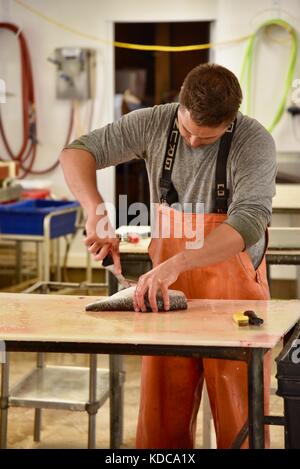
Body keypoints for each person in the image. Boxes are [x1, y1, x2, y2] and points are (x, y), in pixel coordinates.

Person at [59, 63, 277, 449]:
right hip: (164, 295)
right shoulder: (154, 123)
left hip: (234, 296)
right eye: (187, 130)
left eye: (205, 138)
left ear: (230, 122)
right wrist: (95, 210)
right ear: (180, 103)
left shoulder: (253, 140)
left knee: (240, 416)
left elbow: (249, 221)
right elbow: (78, 152)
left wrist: (178, 262)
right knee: (162, 417)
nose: (193, 142)